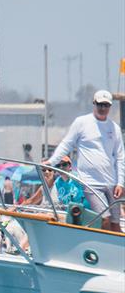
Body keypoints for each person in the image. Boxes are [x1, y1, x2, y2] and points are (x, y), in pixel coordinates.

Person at [48, 89, 124, 232]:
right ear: (94, 104)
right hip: (91, 183)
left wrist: (120, 183)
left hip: (112, 183)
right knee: (104, 219)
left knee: (115, 223)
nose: (103, 108)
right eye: (100, 105)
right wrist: (51, 162)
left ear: (110, 107)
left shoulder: (115, 128)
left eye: (106, 105)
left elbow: (120, 157)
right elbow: (66, 144)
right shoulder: (82, 122)